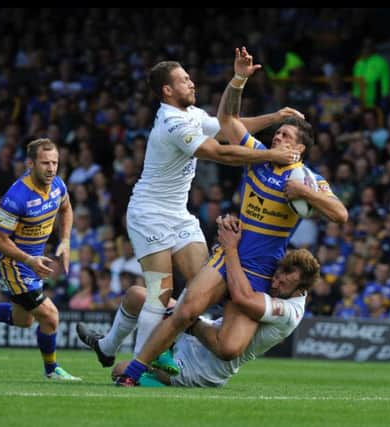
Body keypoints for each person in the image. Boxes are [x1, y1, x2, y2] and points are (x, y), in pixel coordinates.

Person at [114, 47, 348, 386]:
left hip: (261, 268)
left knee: (229, 347)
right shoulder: (258, 156)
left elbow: (340, 214)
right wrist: (238, 79)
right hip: (230, 249)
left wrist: (307, 194)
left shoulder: (306, 180)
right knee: (185, 309)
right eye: (278, 134)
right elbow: (226, 121)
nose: (278, 137)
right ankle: (134, 373)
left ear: (299, 149)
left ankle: (172, 349)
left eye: (286, 136)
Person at [125, 59, 304, 358]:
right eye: (184, 80)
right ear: (168, 90)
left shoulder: (191, 114)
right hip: (149, 212)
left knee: (202, 289)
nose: (192, 82)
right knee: (160, 294)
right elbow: (219, 152)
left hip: (178, 214)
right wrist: (271, 154)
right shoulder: (173, 123)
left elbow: (228, 127)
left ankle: (108, 345)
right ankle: (141, 364)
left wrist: (274, 117)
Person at [110, 214, 320, 387]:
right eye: (276, 276)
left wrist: (230, 249)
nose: (274, 284)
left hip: (205, 368)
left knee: (119, 371)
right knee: (136, 295)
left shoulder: (289, 312)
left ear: (301, 289)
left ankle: (154, 381)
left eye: (283, 284)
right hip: (203, 335)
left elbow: (241, 298)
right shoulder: (278, 284)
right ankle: (107, 346)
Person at [0, 138, 80, 380]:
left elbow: (66, 208)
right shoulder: (16, 197)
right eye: (45, 163)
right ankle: (52, 370)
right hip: (13, 264)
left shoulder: (57, 185)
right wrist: (29, 260)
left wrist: (65, 241)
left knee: (23, 321)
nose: (51, 168)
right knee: (50, 316)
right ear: (31, 163)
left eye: (55, 162)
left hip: (34, 264)